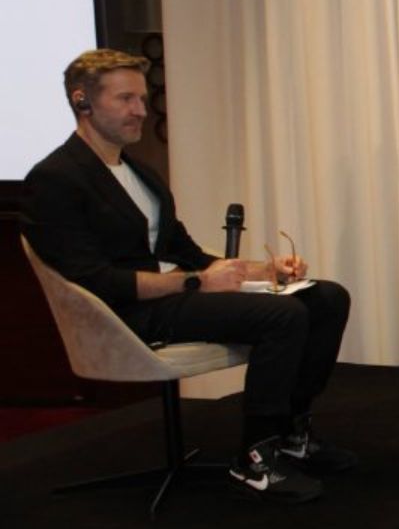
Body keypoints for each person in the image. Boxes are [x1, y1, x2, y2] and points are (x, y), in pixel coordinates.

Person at [25, 49, 353, 503]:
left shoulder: (140, 173)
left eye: (142, 99)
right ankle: (256, 457)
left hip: (173, 298)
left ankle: (292, 433)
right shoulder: (56, 178)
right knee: (282, 316)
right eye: (126, 99)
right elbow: (96, 281)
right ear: (83, 101)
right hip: (125, 313)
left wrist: (266, 270)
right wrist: (195, 282)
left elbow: (190, 254)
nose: (141, 110)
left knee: (327, 297)